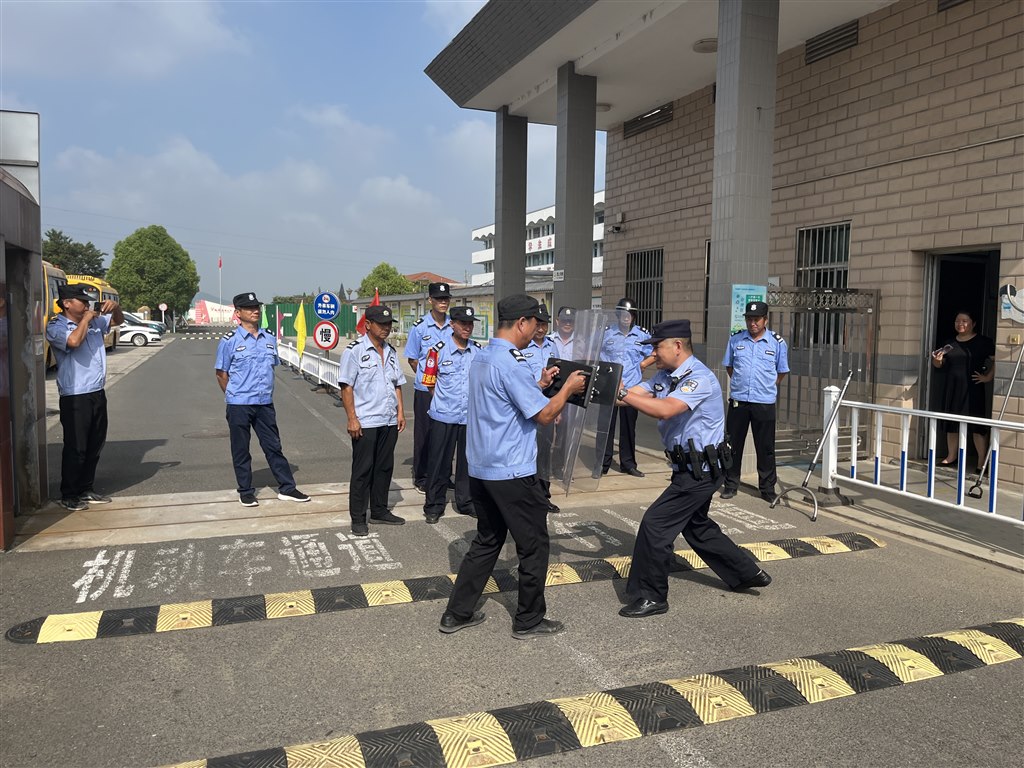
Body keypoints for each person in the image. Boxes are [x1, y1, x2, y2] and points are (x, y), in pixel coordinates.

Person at [439, 294, 588, 639]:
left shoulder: (483, 356)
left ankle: (457, 613)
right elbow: (544, 414)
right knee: (533, 544)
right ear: (522, 323)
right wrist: (567, 388)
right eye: (535, 324)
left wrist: (541, 385)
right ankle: (529, 620)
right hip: (512, 470)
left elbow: (505, 399)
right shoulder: (510, 363)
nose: (537, 331)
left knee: (488, 540)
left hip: (481, 468)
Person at [616, 319, 771, 618]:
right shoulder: (665, 376)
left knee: (655, 524)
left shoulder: (698, 378)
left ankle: (652, 596)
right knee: (696, 526)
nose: (653, 354)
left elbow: (665, 409)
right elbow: (635, 396)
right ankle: (746, 573)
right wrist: (593, 388)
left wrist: (623, 394)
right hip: (688, 467)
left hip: (702, 470)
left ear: (677, 345)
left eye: (657, 347)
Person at [215, 292, 310, 507]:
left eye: (256, 307)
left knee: (273, 446)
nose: (255, 311)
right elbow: (221, 374)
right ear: (238, 313)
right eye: (249, 308)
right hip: (239, 404)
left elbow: (271, 367)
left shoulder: (268, 338)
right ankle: (246, 491)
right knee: (241, 449)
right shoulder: (229, 341)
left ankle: (287, 488)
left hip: (264, 402)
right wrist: (233, 395)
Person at [46, 283, 124, 511]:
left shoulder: (94, 321)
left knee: (94, 444)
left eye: (88, 302)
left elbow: (117, 321)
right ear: (67, 303)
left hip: (96, 391)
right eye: (82, 301)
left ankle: (86, 488)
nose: (87, 305)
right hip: (75, 395)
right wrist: (87, 320)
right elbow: (73, 342)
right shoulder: (56, 326)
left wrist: (116, 307)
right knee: (76, 446)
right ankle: (69, 493)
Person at [339, 304, 407, 536]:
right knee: (363, 471)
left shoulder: (390, 351)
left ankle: (379, 510)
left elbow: (397, 384)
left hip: (388, 419)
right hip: (366, 421)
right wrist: (352, 419)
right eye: (381, 324)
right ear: (368, 325)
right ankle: (358, 518)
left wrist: (400, 412)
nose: (386, 328)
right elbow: (346, 387)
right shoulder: (354, 351)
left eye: (389, 324)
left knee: (384, 468)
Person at [720, 300, 790, 502]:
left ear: (765, 320)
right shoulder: (736, 340)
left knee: (765, 448)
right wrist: (742, 385)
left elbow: (781, 371)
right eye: (749, 319)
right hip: (739, 401)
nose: (752, 323)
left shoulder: (777, 343)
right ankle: (731, 484)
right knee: (733, 445)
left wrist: (765, 386)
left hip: (764, 402)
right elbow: (730, 367)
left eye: (756, 319)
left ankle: (767, 489)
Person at [422, 306, 481, 524]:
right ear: (452, 324)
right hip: (444, 416)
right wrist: (444, 402)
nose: (467, 327)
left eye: (470, 323)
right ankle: (434, 505)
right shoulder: (437, 350)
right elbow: (429, 383)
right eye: (463, 323)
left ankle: (466, 502)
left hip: (469, 418)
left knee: (467, 464)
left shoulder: (478, 351)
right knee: (439, 463)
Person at [932, 309, 996, 472]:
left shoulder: (983, 342)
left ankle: (981, 462)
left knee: (977, 425)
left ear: (973, 324)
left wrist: (987, 377)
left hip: (972, 388)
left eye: (964, 321)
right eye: (957, 321)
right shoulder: (949, 343)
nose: (960, 324)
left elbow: (997, 361)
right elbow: (938, 365)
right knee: (951, 423)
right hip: (952, 387)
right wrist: (937, 360)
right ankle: (951, 456)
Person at [404, 282, 453, 493]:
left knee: (447, 434)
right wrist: (428, 378)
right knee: (424, 434)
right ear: (430, 300)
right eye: (439, 298)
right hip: (426, 391)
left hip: (449, 391)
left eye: (446, 298)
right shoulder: (420, 327)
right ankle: (422, 476)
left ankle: (444, 475)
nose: (443, 302)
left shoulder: (454, 325)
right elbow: (413, 359)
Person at [598, 298, 654, 477]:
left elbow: (654, 353)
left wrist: (643, 364)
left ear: (634, 316)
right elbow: (597, 354)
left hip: (632, 389)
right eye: (623, 314)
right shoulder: (607, 333)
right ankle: (602, 463)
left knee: (629, 427)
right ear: (618, 315)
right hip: (610, 387)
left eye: (630, 314)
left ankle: (628, 463)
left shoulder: (642, 335)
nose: (626, 317)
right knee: (605, 426)